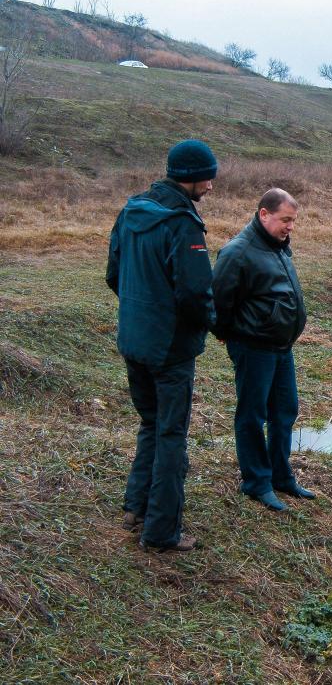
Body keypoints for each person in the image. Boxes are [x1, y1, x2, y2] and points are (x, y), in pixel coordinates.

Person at [105, 139, 218, 552]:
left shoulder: (131, 210)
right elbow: (194, 293)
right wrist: (212, 324)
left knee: (150, 423)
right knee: (171, 434)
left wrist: (142, 313)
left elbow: (114, 275)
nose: (210, 185)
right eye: (208, 177)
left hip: (134, 341)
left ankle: (135, 507)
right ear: (189, 177)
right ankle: (162, 532)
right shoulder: (182, 223)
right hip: (170, 350)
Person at [212, 188, 312, 511]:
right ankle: (256, 482)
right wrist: (226, 333)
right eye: (285, 220)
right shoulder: (237, 252)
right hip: (253, 347)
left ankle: (281, 476)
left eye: (293, 221)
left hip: (282, 347)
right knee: (253, 414)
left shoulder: (279, 247)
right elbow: (218, 301)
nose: (290, 227)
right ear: (263, 214)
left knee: (285, 410)